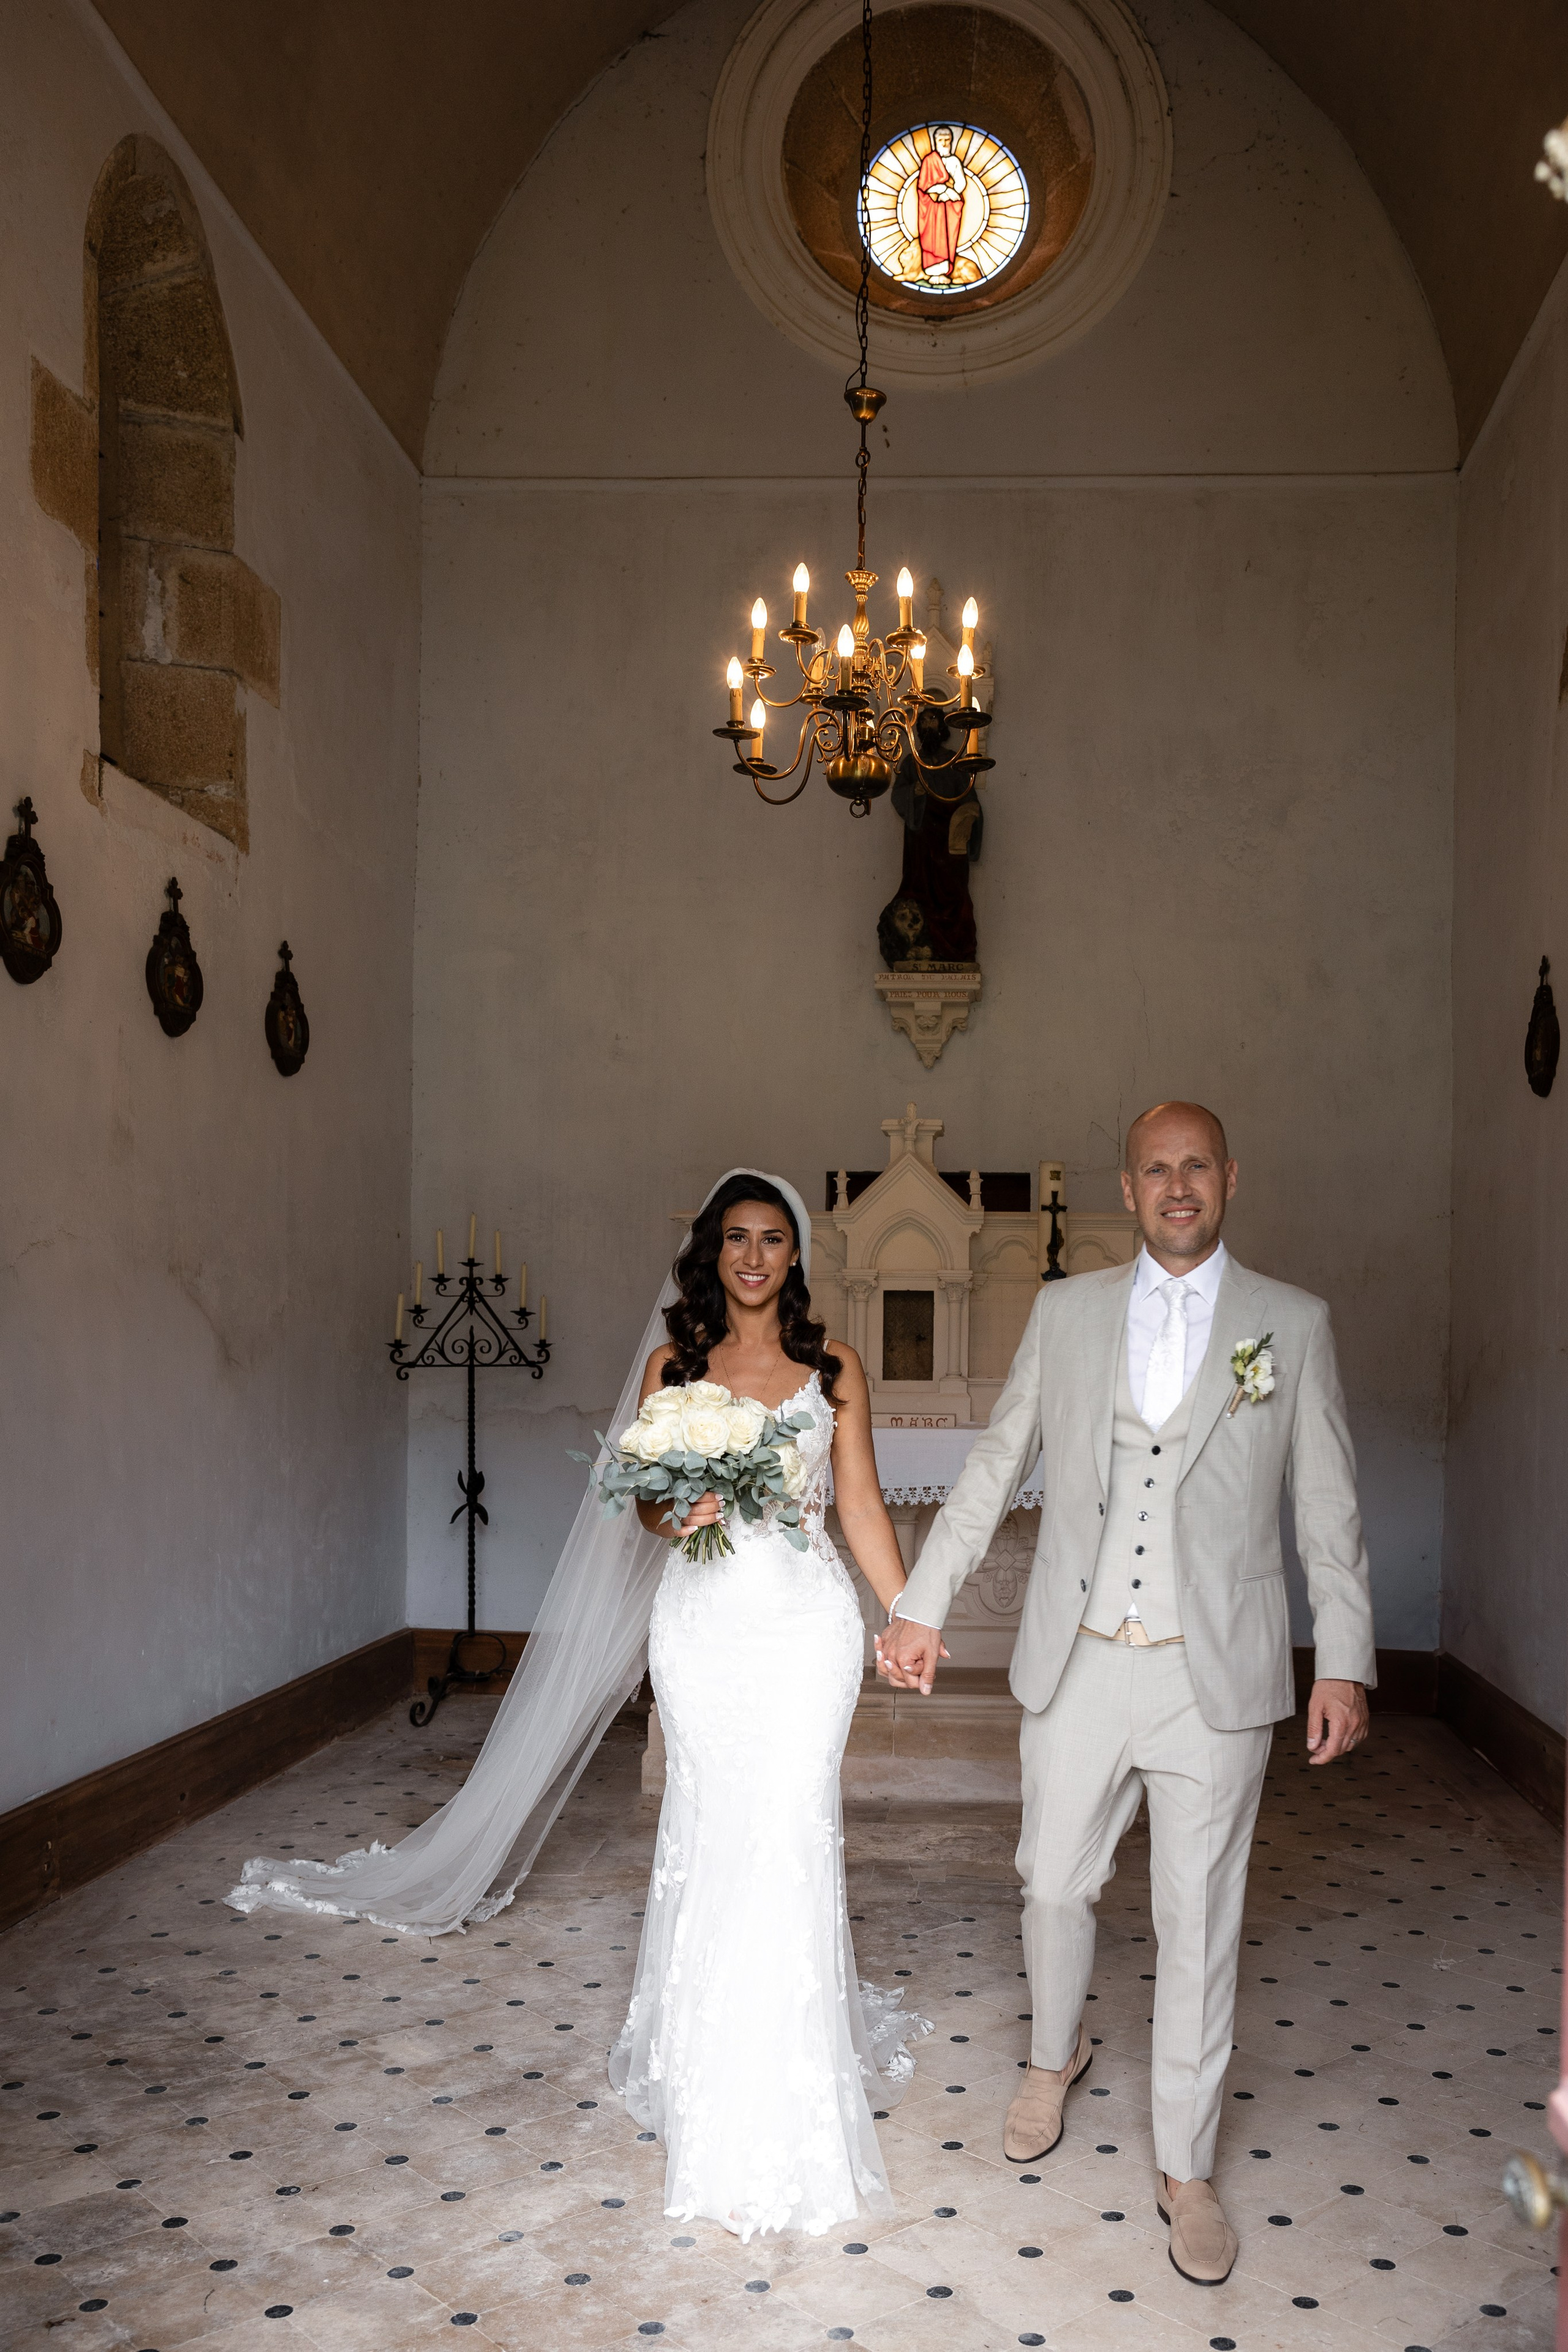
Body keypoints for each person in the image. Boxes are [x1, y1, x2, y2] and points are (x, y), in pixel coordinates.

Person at [230, 1169, 926, 2243]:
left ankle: (784, 2071)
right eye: (736, 1238)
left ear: (796, 1256)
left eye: (774, 1239)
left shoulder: (833, 1370)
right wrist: (674, 1509)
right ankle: (706, 2058)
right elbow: (644, 1513)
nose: (754, 1257)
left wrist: (905, 1613)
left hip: (805, 1631)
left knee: (789, 1829)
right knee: (712, 1827)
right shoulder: (672, 1367)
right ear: (711, 1252)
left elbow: (864, 1503)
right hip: (701, 1629)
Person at [875, 1104, 1374, 2286]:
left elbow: (1328, 1506)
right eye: (1157, 1168)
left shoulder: (1290, 1327)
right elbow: (998, 1460)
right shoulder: (1068, 1311)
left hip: (1221, 1672)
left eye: (1197, 1165)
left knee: (1200, 1919)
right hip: (1084, 1654)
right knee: (1053, 1879)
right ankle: (1054, 2055)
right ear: (1129, 1187)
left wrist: (1344, 1657)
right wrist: (921, 1602)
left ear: (1231, 1178)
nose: (1178, 1184)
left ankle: (1187, 2166)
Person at [916, 126, 967, 281]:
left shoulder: (954, 161)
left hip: (950, 207)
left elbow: (961, 183)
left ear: (952, 142)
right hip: (931, 208)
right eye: (941, 140)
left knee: (948, 237)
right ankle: (933, 272)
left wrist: (952, 192)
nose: (944, 144)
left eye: (947, 140)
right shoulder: (929, 161)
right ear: (935, 142)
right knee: (932, 238)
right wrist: (943, 189)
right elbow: (923, 187)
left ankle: (944, 270)